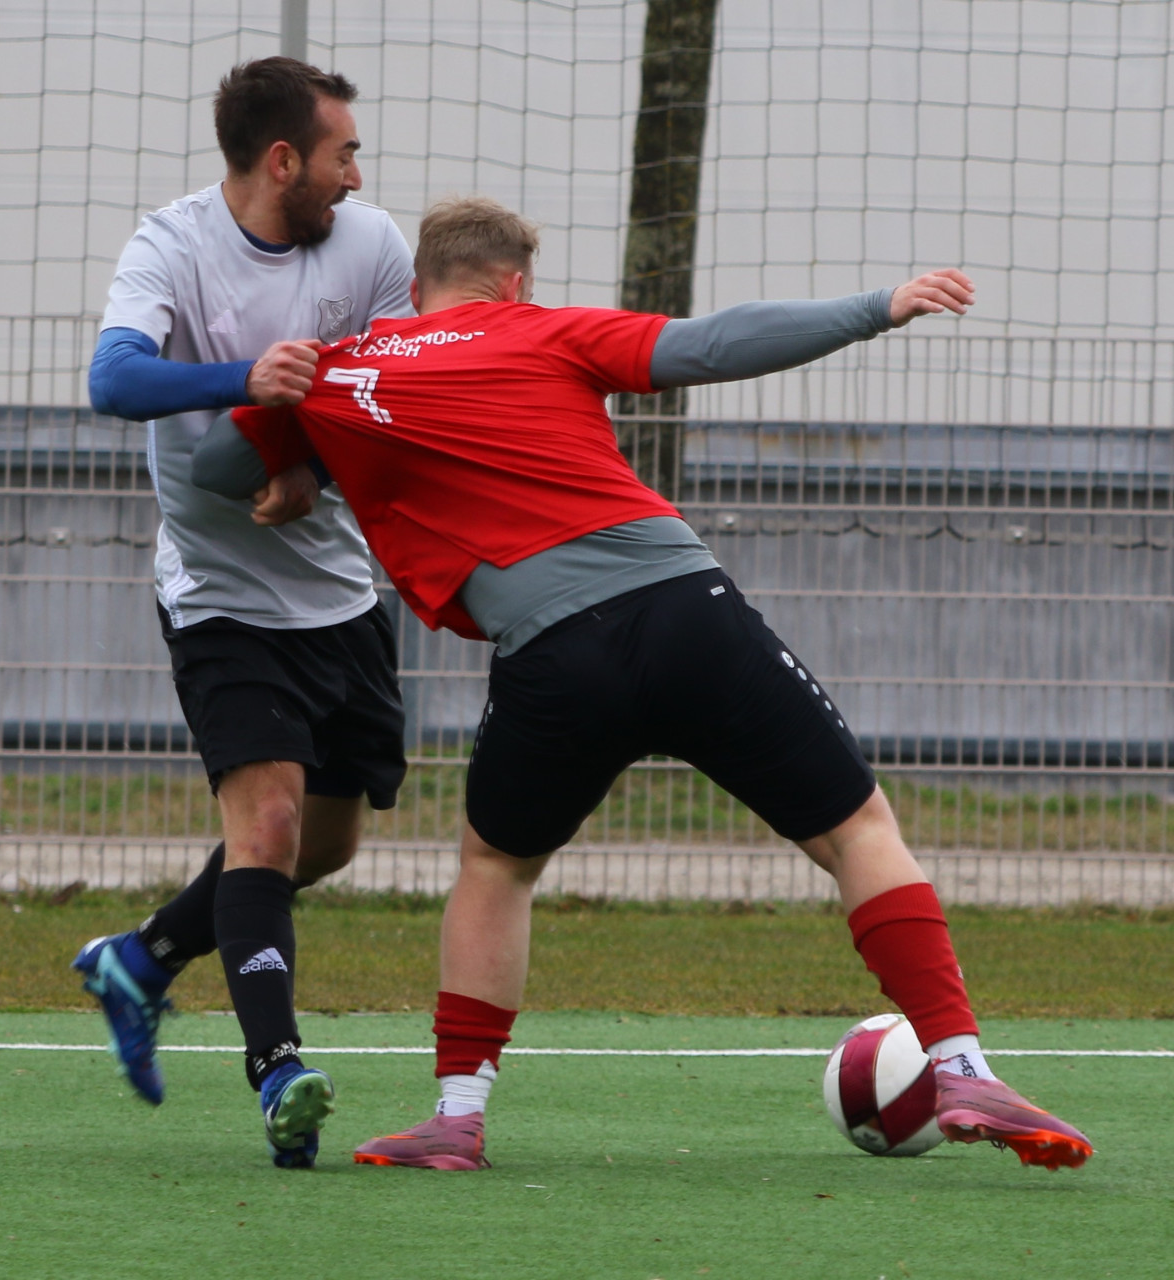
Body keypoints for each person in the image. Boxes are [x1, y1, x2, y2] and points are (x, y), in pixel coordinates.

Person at [192, 196, 1093, 1174]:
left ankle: (456, 1117)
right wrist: (878, 306)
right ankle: (961, 1064)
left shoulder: (344, 368)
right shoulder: (547, 331)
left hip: (552, 654)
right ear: (514, 284)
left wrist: (291, 422)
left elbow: (216, 466)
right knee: (858, 831)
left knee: (497, 868)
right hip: (687, 612)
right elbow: (715, 343)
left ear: (416, 287)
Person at [71, 57, 413, 1170]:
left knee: (325, 842)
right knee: (265, 827)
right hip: (219, 594)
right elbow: (115, 381)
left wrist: (309, 464)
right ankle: (278, 1073)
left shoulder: (374, 246)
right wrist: (243, 379)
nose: (356, 176)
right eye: (342, 154)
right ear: (282, 161)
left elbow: (393, 398)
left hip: (341, 592)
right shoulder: (169, 245)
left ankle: (141, 958)